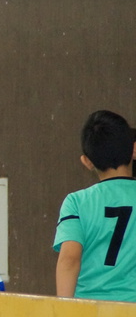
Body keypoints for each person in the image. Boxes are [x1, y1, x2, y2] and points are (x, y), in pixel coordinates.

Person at [54, 110, 136, 302]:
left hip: (89, 310)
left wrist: (63, 309)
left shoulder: (76, 202)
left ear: (87, 161)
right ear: (134, 149)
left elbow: (69, 260)